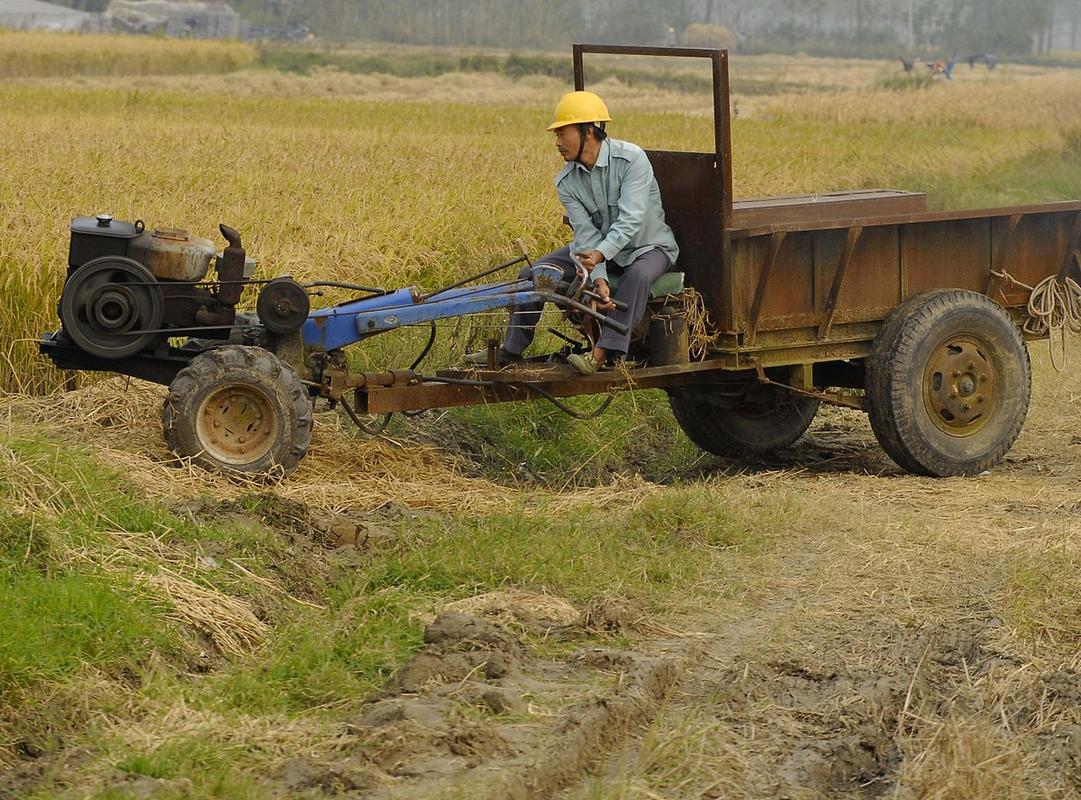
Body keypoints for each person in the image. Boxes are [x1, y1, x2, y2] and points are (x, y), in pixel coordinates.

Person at [466, 90, 679, 375]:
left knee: (637, 277)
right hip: (598, 250)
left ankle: (601, 353)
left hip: (648, 248)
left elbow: (632, 220)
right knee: (536, 273)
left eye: (562, 133)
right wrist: (599, 277)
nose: (557, 143)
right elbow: (586, 234)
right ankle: (511, 350)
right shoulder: (566, 181)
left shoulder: (632, 160)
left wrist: (600, 255)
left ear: (588, 131)